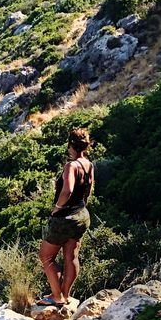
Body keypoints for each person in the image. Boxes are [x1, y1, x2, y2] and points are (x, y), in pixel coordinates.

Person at [38, 127, 95, 308]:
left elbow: (67, 190)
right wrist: (81, 203)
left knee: (46, 256)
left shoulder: (71, 166)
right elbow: (89, 188)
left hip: (65, 217)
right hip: (82, 215)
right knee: (71, 256)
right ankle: (66, 295)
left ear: (71, 145)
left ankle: (56, 296)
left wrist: (57, 208)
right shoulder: (88, 164)